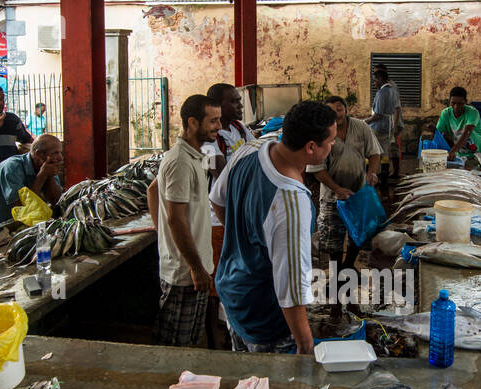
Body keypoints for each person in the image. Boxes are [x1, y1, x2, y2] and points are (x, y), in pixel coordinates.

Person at [211, 101, 335, 354]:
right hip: (264, 315)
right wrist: (305, 344)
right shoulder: (290, 203)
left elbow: (216, 199)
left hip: (233, 290)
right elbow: (290, 289)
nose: (334, 145)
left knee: (244, 375)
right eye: (331, 141)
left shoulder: (249, 149)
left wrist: (242, 239)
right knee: (270, 386)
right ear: (311, 147)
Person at [154, 94, 222, 347]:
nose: (219, 127)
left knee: (191, 340)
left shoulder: (196, 155)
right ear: (193, 122)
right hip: (185, 272)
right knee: (175, 344)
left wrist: (163, 233)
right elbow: (176, 219)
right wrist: (194, 266)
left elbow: (154, 190)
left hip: (196, 264)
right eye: (213, 121)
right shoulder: (180, 161)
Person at [318, 95, 381, 271]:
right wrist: (337, 189)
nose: (336, 113)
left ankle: (349, 266)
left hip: (359, 192)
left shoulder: (361, 127)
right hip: (332, 195)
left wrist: (372, 173)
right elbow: (317, 168)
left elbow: (374, 153)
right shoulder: (321, 132)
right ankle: (337, 271)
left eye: (339, 108)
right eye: (331, 110)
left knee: (358, 233)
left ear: (346, 110)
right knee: (332, 236)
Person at [0, 133, 64, 229]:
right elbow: (21, 207)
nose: (60, 158)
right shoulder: (12, 166)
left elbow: (55, 200)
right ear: (38, 154)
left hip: (7, 218)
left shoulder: (47, 166)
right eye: (55, 153)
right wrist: (42, 176)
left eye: (60, 153)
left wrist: (49, 177)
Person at [364, 64, 402, 184]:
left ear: (380, 79)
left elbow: (378, 114)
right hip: (388, 126)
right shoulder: (393, 90)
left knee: (370, 151)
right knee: (385, 152)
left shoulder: (381, 93)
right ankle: (384, 179)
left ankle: (368, 177)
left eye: (375, 81)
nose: (374, 83)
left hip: (378, 127)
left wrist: (366, 121)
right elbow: (396, 108)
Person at [436, 87, 481, 160]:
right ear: (449, 101)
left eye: (460, 104)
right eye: (453, 103)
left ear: (465, 102)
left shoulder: (472, 112)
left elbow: (467, 132)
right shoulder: (445, 113)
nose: (456, 107)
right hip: (462, 150)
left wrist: (453, 151)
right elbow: (438, 133)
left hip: (480, 149)